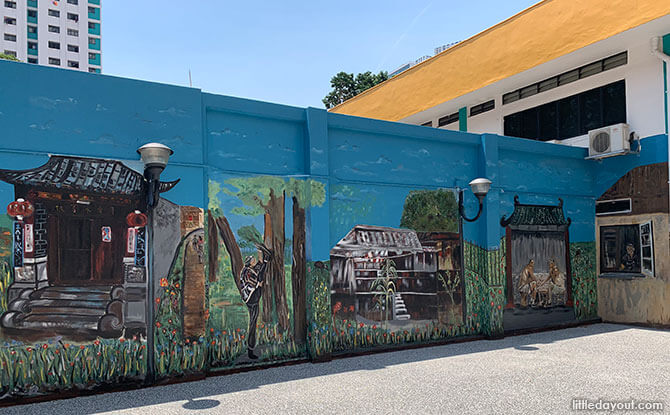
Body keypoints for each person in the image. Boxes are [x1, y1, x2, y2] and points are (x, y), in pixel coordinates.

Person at [239, 243, 272, 359]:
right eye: (253, 259)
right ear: (249, 263)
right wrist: (258, 283)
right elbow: (254, 280)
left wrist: (260, 253)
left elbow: (260, 266)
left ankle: (251, 348)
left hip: (253, 299)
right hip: (252, 300)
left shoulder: (250, 269)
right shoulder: (247, 271)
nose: (254, 260)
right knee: (252, 323)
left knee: (253, 322)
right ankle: (250, 350)